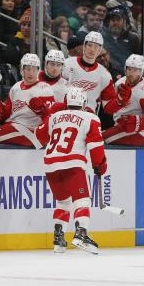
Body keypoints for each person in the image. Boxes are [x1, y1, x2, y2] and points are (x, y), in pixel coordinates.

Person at [34, 87, 107, 254]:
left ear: (66, 102)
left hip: (50, 165)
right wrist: (100, 164)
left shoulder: (54, 117)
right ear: (84, 103)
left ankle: (59, 241)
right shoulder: (90, 117)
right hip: (72, 164)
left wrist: (48, 116)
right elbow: (96, 145)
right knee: (82, 201)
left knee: (63, 202)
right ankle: (81, 235)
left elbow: (39, 135)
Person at [0, 53, 55, 148]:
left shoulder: (44, 88)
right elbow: (7, 111)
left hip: (30, 131)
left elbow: (49, 117)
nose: (31, 73)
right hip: (13, 126)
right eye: (28, 69)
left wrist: (42, 111)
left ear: (38, 70)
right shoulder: (16, 87)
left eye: (34, 69)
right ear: (22, 70)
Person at [102, 54, 144, 146]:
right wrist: (119, 101)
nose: (131, 73)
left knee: (101, 139)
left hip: (142, 132)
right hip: (122, 126)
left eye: (135, 70)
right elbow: (109, 110)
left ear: (141, 71)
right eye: (129, 69)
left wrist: (137, 122)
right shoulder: (120, 83)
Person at [62, 31, 124, 117]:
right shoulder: (67, 64)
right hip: (64, 115)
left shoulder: (105, 75)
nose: (92, 49)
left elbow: (108, 108)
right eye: (90, 45)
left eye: (96, 47)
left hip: (88, 119)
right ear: (84, 46)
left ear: (100, 50)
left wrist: (120, 100)